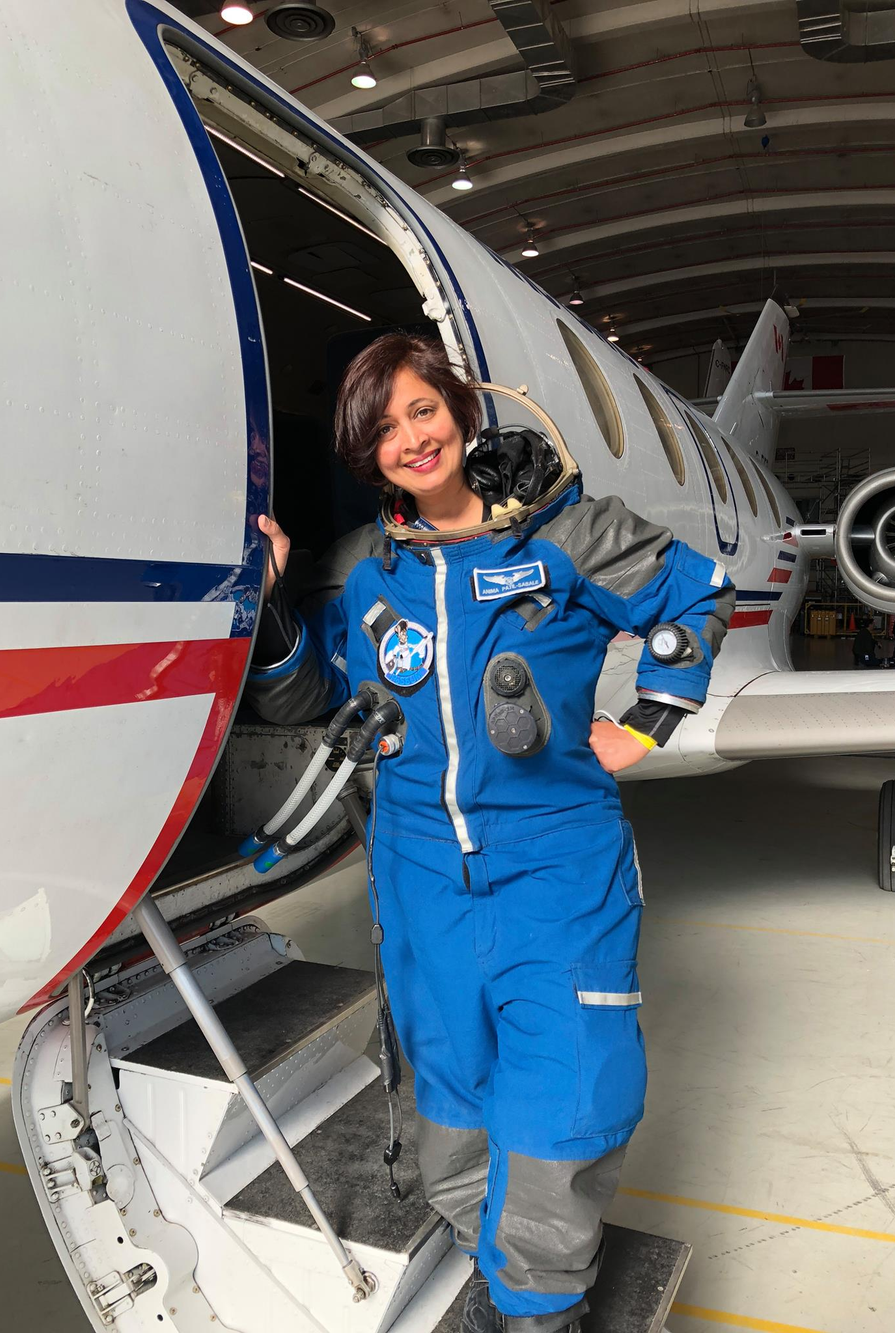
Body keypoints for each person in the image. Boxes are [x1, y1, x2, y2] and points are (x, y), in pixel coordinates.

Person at [247, 334, 735, 1333]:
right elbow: (317, 693)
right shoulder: (366, 571)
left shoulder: (569, 532)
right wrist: (271, 598)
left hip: (556, 864)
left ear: (461, 410)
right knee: (452, 1105)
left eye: (422, 410)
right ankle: (491, 1261)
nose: (409, 439)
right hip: (418, 872)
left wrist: (648, 720)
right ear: (365, 452)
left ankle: (535, 1310)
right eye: (382, 428)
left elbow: (697, 591)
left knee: (565, 1098)